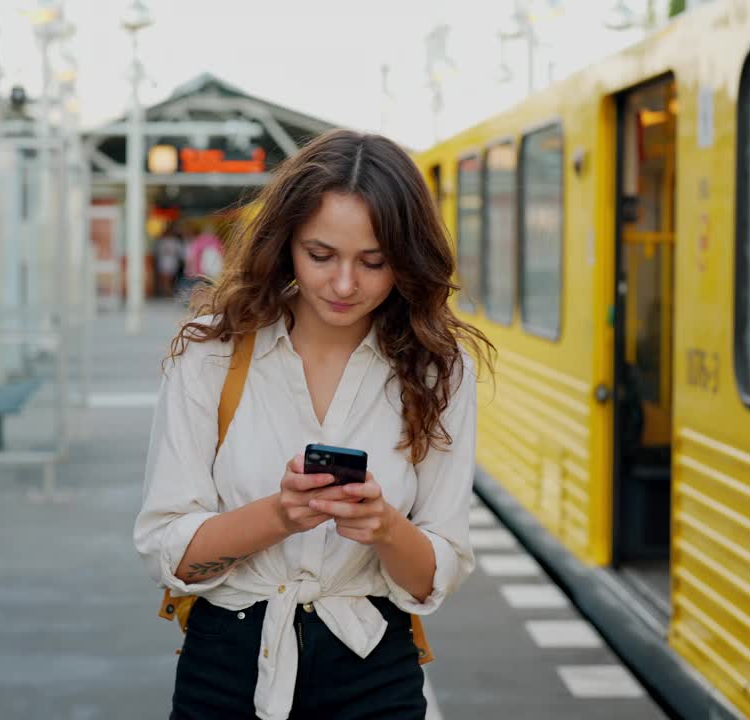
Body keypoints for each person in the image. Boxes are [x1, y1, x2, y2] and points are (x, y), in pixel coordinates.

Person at [135, 129, 494, 719]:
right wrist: (278, 516)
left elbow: (436, 574)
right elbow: (166, 552)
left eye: (374, 262)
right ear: (286, 244)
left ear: (406, 258)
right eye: (321, 255)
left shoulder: (438, 371)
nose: (345, 284)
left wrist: (382, 526)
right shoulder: (209, 354)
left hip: (374, 671)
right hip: (226, 669)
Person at [154, 224, 184, 298]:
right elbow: (157, 251)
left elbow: (180, 251)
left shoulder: (175, 241)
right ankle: (167, 292)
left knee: (170, 278)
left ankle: (167, 291)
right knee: (165, 278)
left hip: (172, 262)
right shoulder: (162, 241)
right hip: (164, 261)